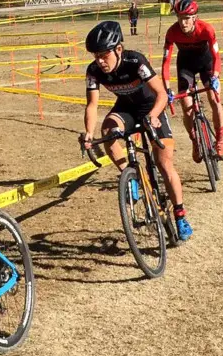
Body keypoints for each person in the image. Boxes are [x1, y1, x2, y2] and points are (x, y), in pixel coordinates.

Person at [80, 21, 193, 241]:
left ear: (118, 49)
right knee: (108, 131)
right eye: (96, 56)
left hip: (152, 108)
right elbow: (92, 105)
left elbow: (161, 94)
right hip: (126, 109)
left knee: (164, 163)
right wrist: (88, 133)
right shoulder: (93, 71)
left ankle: (180, 215)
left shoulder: (136, 61)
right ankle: (130, 176)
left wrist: (153, 116)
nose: (100, 61)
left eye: (104, 55)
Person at [162, 0, 223, 161]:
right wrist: (167, 88)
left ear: (195, 17)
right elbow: (166, 62)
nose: (183, 23)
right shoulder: (172, 32)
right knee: (187, 107)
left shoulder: (206, 29)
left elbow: (216, 56)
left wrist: (216, 76)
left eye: (187, 18)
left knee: (214, 98)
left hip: (206, 64)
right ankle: (195, 141)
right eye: (179, 18)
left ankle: (220, 141)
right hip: (186, 66)